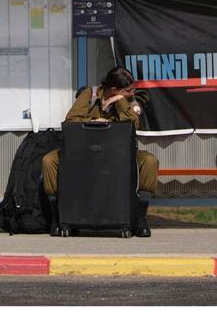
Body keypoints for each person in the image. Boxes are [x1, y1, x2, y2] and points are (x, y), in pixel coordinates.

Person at [41, 66, 159, 237]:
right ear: (113, 89)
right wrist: (97, 122)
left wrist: (119, 101)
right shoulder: (90, 95)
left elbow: (134, 123)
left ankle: (140, 218)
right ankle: (57, 218)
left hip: (118, 154)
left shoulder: (129, 100)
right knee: (49, 161)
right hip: (84, 152)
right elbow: (72, 120)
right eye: (128, 90)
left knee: (149, 162)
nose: (132, 92)